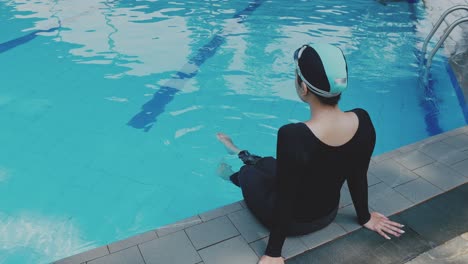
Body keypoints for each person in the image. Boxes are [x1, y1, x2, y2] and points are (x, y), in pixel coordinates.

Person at [216, 43, 405, 264]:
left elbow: (285, 198)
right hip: (328, 213)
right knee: (269, 163)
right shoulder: (362, 120)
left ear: (303, 88)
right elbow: (357, 174)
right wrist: (365, 217)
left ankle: (228, 172)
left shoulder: (293, 135)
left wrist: (273, 253)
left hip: (295, 223)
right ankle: (238, 150)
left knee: (249, 174)